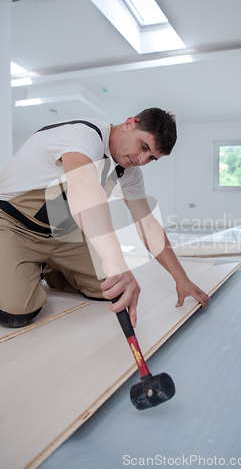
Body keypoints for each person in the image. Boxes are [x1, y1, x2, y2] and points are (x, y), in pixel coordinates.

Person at [0, 107, 210, 329]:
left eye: (151, 158)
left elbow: (147, 224)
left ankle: (51, 269)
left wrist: (181, 278)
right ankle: (24, 263)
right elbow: (83, 187)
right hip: (14, 225)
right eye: (143, 147)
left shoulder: (129, 172)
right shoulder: (83, 135)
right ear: (130, 123)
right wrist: (114, 260)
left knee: (112, 290)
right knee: (16, 313)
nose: (141, 160)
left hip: (62, 235)